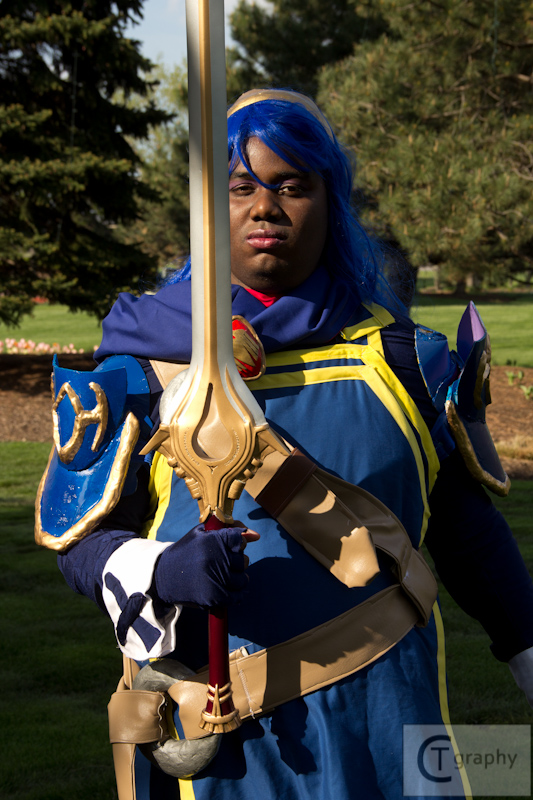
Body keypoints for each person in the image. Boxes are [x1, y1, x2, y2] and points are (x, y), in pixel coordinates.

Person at [37, 89, 533, 800]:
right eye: (239, 187)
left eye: (292, 185)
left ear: (331, 203)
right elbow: (80, 542)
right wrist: (160, 570)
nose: (264, 207)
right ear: (209, 211)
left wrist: (524, 648)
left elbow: (467, 534)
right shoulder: (139, 371)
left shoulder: (407, 362)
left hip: (391, 716)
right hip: (221, 743)